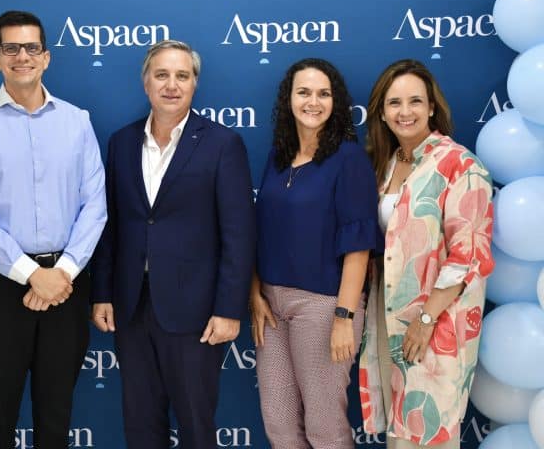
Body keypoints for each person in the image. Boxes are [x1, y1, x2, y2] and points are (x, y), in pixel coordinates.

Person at [0, 10, 106, 449]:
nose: (22, 56)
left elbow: (95, 205)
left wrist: (62, 272)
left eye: (31, 47)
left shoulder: (76, 121)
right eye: (11, 48)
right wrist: (31, 274)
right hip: (0, 287)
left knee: (56, 417)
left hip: (66, 288)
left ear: (46, 57)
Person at [90, 39, 256, 448]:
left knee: (196, 426)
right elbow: (110, 226)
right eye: (161, 75)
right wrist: (102, 293)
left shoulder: (222, 144)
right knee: (140, 425)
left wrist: (228, 309)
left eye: (182, 76)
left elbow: (238, 234)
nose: (171, 85)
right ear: (146, 82)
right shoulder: (121, 143)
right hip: (132, 308)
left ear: (194, 84)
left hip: (195, 312)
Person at [359, 59, 494, 448]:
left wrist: (425, 318)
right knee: (400, 431)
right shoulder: (385, 166)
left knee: (428, 429)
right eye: (394, 103)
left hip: (436, 318)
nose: (405, 112)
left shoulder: (459, 164)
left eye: (415, 101)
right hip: (387, 312)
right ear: (381, 113)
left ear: (432, 107)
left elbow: (468, 256)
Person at [249, 58, 379, 449]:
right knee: (280, 425)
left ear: (335, 102)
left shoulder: (349, 159)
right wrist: (254, 293)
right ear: (288, 99)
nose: (313, 102)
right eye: (303, 92)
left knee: (324, 427)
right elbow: (259, 232)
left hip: (323, 306)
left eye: (323, 94)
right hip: (271, 306)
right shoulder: (277, 157)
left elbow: (359, 246)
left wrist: (344, 317)